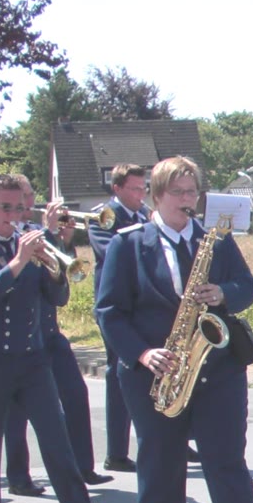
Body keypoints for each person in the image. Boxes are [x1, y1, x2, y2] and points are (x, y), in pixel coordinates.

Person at [95, 155, 253, 503]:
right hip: (157, 372)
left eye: (192, 191)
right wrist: (142, 354)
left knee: (226, 460)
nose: (187, 200)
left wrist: (223, 293)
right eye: (177, 192)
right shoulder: (128, 244)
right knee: (161, 465)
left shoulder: (215, 241)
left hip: (217, 369)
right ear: (156, 196)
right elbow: (110, 312)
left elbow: (246, 286)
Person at [0, 175, 113, 503]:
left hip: (32, 359)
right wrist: (18, 261)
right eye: (6, 208)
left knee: (57, 441)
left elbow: (56, 298)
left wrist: (55, 267)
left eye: (19, 208)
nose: (14, 215)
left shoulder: (31, 241)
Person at [15, 183, 108, 486]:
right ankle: (18, 476)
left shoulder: (38, 232)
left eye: (31, 195)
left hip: (50, 331)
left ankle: (83, 467)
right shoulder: (14, 236)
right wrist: (49, 233)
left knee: (76, 394)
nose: (31, 201)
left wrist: (63, 241)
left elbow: (61, 283)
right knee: (18, 411)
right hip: (22, 336)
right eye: (25, 196)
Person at [89, 163, 150, 473]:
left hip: (144, 305)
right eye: (135, 189)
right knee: (119, 372)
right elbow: (111, 252)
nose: (142, 194)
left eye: (143, 188)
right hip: (117, 306)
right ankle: (116, 452)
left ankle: (173, 440)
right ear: (117, 189)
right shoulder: (104, 217)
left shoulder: (144, 215)